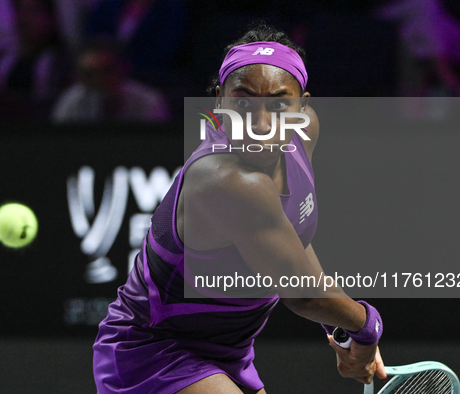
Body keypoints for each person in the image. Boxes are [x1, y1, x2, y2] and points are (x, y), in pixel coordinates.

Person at [93, 22, 386, 393]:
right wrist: (366, 325)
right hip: (154, 352)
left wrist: (339, 326)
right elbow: (302, 293)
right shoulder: (229, 181)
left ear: (303, 106)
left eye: (280, 104)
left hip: (229, 353)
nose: (261, 124)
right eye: (243, 102)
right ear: (219, 100)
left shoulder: (304, 133)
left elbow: (291, 242)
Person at [52, 40, 170, 123]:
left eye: (106, 71)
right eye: (89, 75)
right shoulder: (70, 102)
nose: (99, 80)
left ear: (123, 69)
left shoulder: (149, 102)